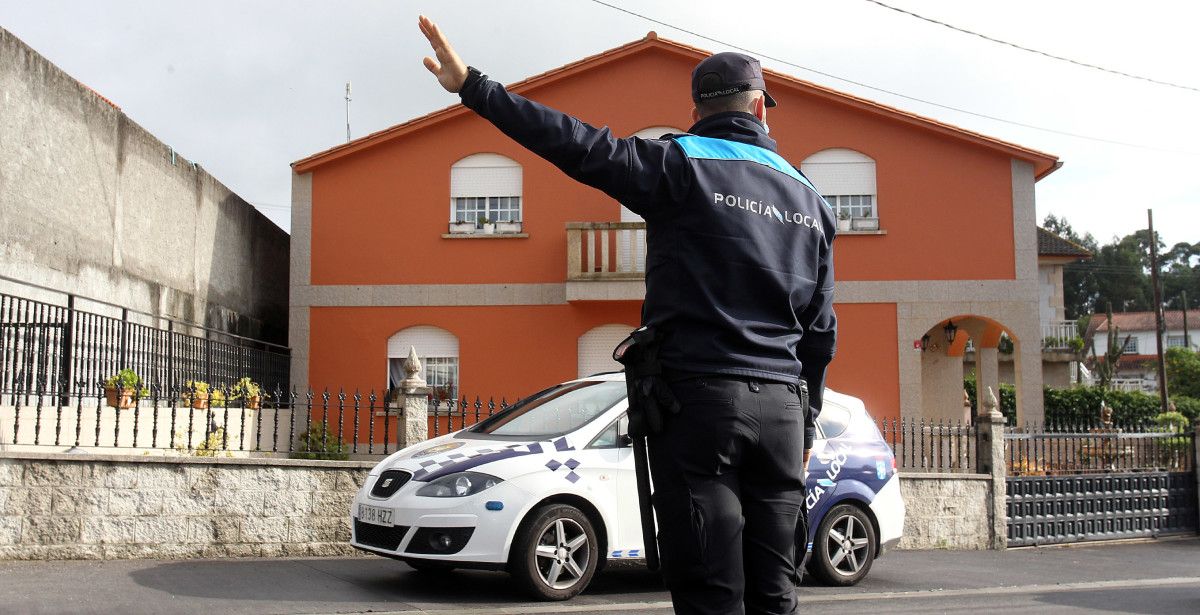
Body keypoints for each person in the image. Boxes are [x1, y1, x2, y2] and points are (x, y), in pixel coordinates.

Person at [419, 15, 836, 615]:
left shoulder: (680, 164)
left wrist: (474, 87)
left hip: (701, 407)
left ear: (696, 112)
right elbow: (821, 331)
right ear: (761, 110)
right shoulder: (811, 200)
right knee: (775, 594)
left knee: (710, 595)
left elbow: (572, 142)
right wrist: (808, 415)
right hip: (784, 414)